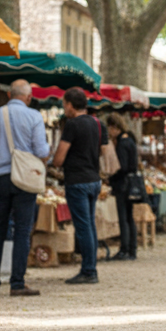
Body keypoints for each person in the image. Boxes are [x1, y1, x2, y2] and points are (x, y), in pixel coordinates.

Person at [0, 79, 48, 296]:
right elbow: (42, 151)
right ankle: (17, 283)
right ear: (29, 97)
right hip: (24, 179)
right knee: (22, 230)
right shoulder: (34, 116)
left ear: (9, 95)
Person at [52, 88, 107, 284]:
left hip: (77, 181)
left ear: (70, 105)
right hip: (94, 178)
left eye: (64, 104)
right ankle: (90, 267)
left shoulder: (72, 125)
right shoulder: (98, 124)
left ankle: (89, 270)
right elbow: (103, 151)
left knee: (83, 227)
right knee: (89, 225)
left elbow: (59, 158)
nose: (63, 108)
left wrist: (55, 161)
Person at [106, 113, 140, 262]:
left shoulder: (122, 143)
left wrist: (111, 177)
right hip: (130, 183)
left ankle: (125, 249)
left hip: (122, 185)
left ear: (115, 127)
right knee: (129, 217)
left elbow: (123, 166)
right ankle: (132, 248)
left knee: (123, 217)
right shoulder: (130, 140)